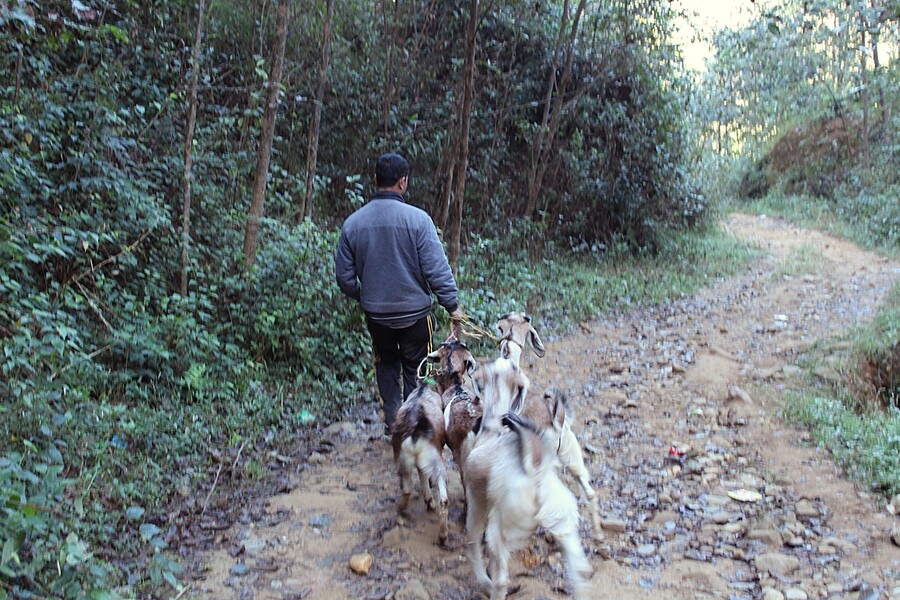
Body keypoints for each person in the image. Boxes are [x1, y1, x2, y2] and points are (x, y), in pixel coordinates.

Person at [335, 152, 463, 433]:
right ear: (403, 182)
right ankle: (416, 423)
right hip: (415, 316)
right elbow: (436, 269)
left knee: (386, 364)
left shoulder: (353, 224)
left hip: (376, 317)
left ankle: (395, 422)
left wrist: (366, 295)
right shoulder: (418, 221)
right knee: (418, 366)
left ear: (375, 180)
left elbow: (344, 278)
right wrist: (452, 306)